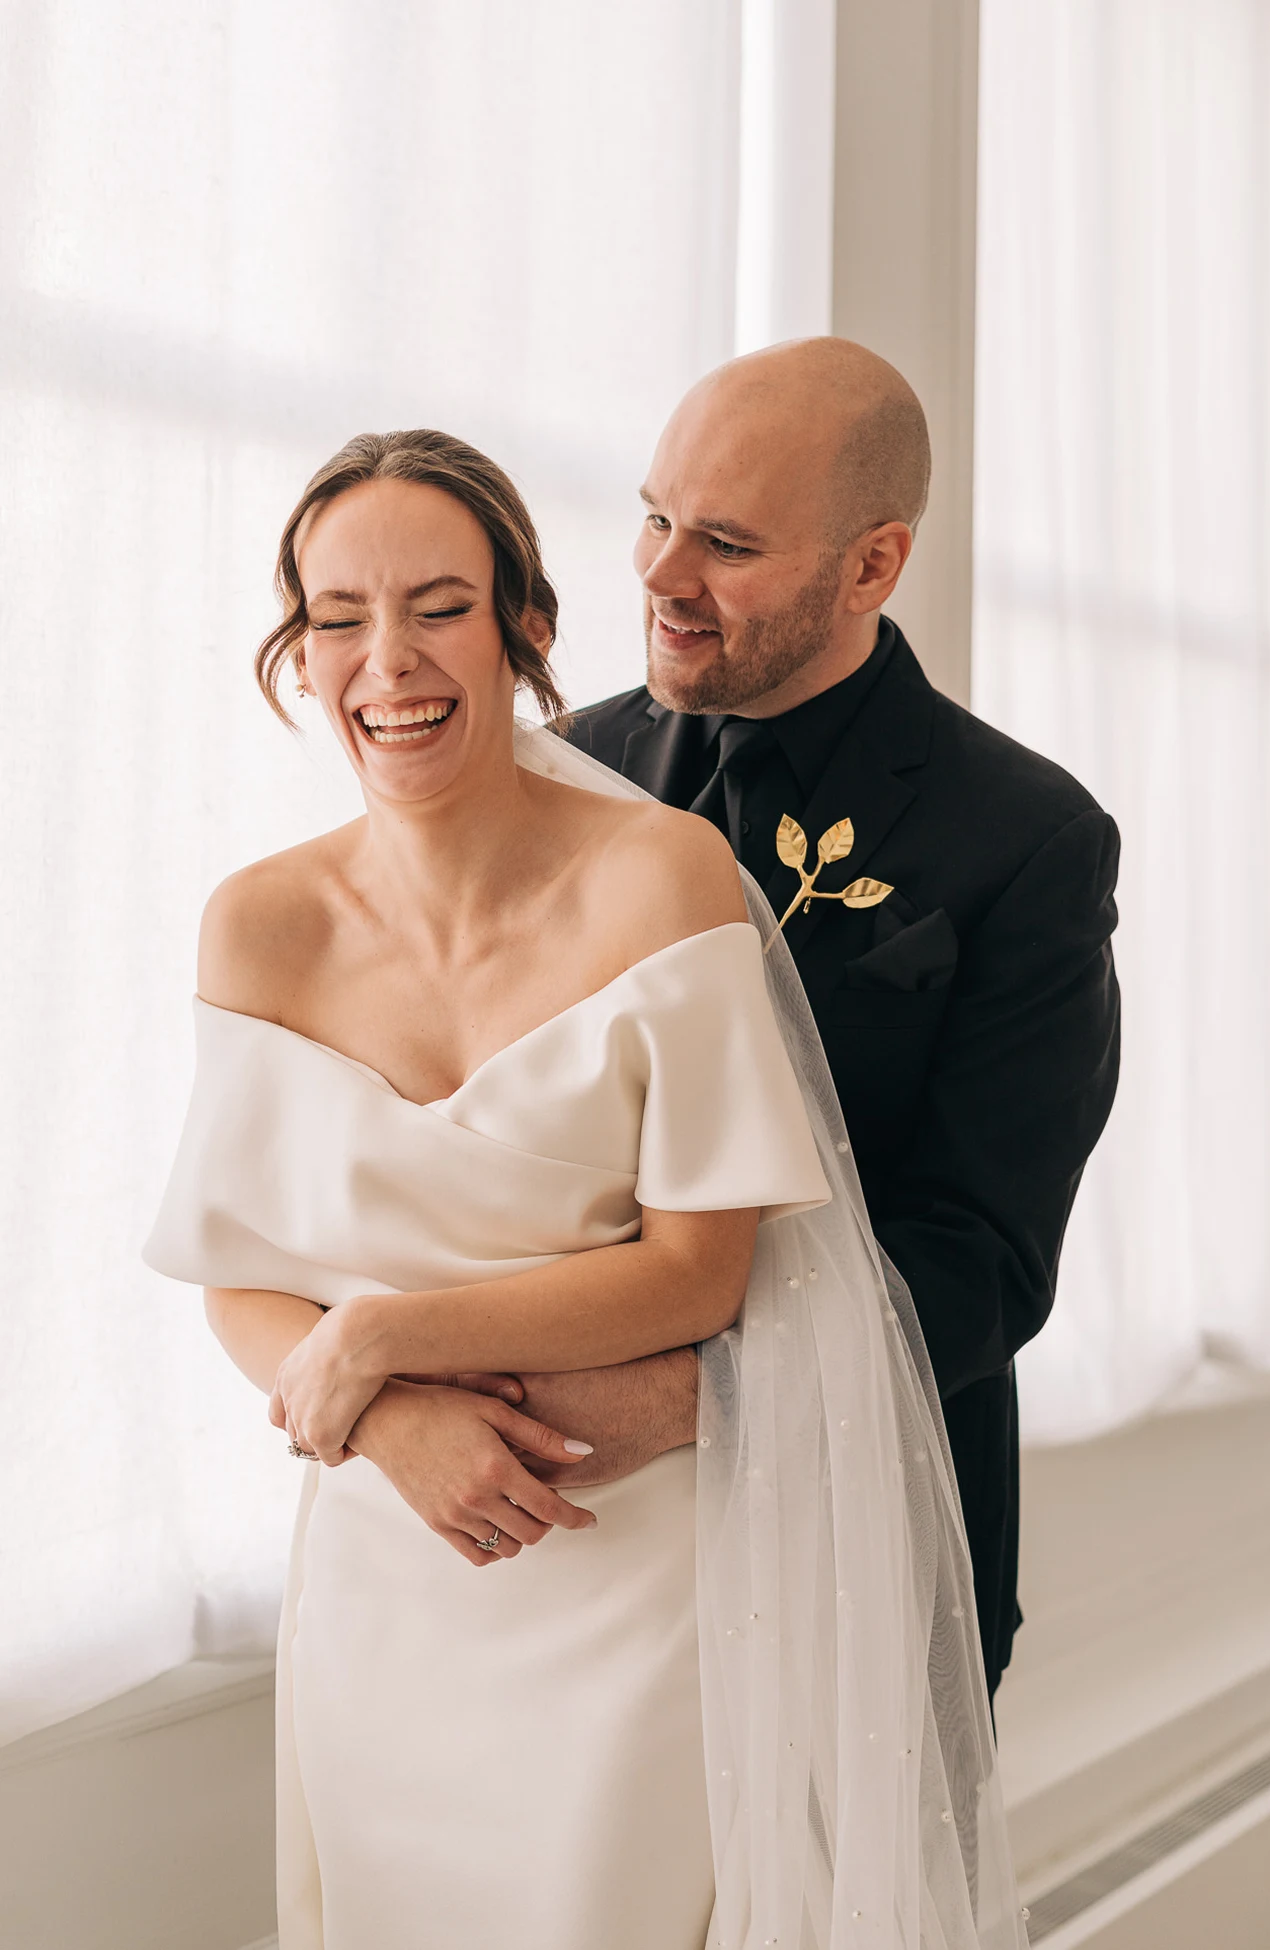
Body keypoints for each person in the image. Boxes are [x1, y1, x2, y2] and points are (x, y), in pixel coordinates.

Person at [144, 430, 1028, 1949]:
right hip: (385, 1559)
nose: (387, 661)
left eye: (438, 607)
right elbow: (239, 1275)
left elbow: (698, 1272)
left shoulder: (660, 878)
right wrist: (387, 1416)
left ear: (526, 626)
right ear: (298, 648)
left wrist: (381, 1336)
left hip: (631, 1564)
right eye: (339, 616)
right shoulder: (257, 922)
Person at [551, 339, 1122, 1699]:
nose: (660, 574)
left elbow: (984, 1255)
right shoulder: (561, 771)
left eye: (726, 544)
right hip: (574, 1548)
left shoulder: (1029, 837)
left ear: (872, 567)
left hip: (866, 1532)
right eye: (654, 515)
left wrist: (691, 1402)